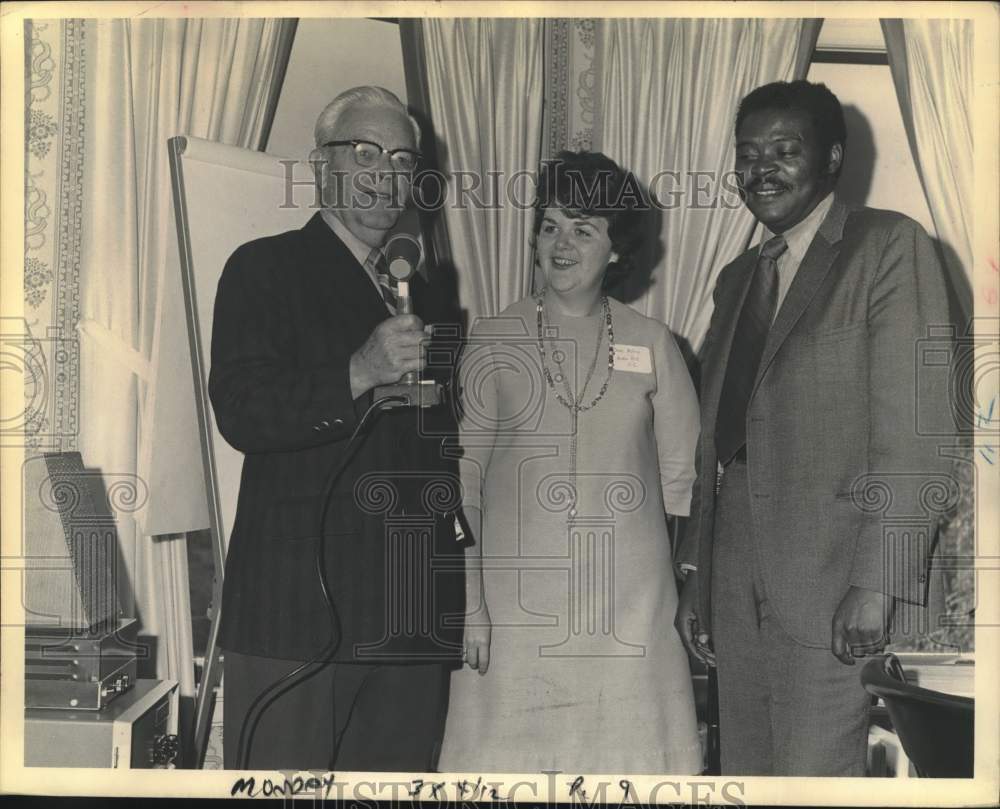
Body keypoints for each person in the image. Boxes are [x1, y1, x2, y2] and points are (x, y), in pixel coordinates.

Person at [674, 80, 953, 776]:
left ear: (831, 157)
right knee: (745, 775)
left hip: (835, 587)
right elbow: (720, 444)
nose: (760, 167)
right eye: (748, 152)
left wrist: (879, 580)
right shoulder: (737, 277)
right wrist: (697, 578)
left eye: (784, 150)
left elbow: (917, 431)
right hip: (734, 589)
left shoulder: (888, 246)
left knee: (815, 780)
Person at [209, 86, 463, 771]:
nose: (386, 173)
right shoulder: (264, 268)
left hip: (409, 621)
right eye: (364, 153)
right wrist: (358, 369)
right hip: (297, 617)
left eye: (403, 159)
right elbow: (242, 409)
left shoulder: (430, 292)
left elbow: (438, 456)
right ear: (321, 167)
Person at [439, 151, 703, 774]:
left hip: (630, 616)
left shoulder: (653, 343)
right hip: (515, 616)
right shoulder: (493, 338)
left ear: (615, 249)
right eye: (551, 224)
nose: (562, 243)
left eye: (584, 229)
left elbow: (684, 487)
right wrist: (470, 605)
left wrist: (687, 594)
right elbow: (462, 485)